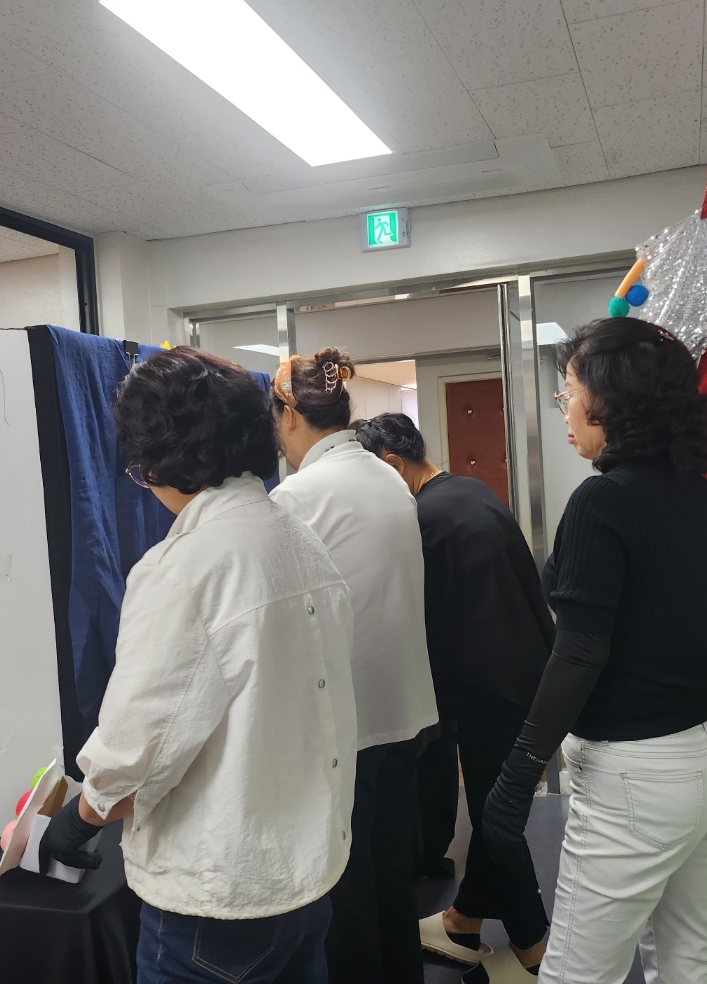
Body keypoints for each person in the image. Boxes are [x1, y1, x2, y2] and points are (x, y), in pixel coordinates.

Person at [41, 347, 358, 984]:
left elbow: (138, 746)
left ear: (158, 459)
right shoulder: (301, 541)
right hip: (309, 872)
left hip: (220, 897)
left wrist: (77, 822)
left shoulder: (184, 569)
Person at [481, 317, 707, 984]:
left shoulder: (603, 501)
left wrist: (518, 774)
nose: (564, 408)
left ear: (612, 400)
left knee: (576, 974)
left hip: (639, 775)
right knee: (686, 960)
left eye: (570, 391)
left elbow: (580, 652)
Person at [353, 413, 554, 978]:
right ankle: (464, 920)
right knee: (494, 807)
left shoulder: (425, 518)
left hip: (494, 688)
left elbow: (423, 618)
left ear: (393, 465)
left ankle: (533, 949)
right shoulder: (469, 491)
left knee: (496, 819)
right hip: (526, 678)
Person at [269, 347, 438, 984]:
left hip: (348, 726)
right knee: (393, 878)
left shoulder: (299, 495)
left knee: (347, 895)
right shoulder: (385, 476)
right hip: (404, 711)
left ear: (290, 415)